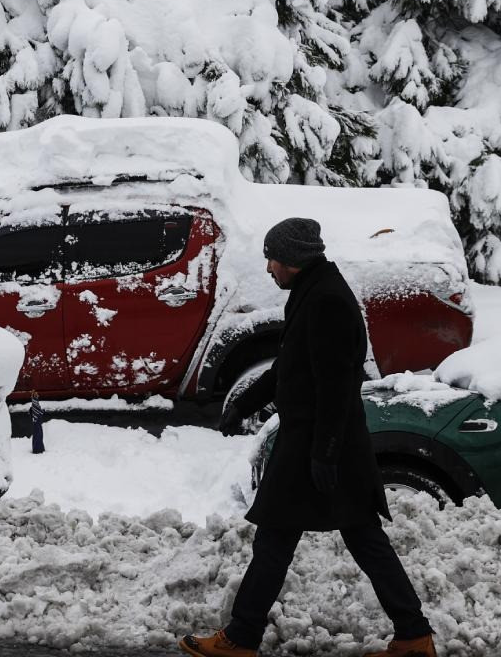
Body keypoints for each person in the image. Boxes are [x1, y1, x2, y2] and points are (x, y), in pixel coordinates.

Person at [179, 218, 438, 657]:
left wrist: (326, 454)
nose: (268, 268)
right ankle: (413, 635)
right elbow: (290, 366)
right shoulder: (313, 293)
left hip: (319, 445)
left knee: (285, 539)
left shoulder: (327, 302)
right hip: (321, 443)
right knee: (352, 538)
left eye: (272, 259)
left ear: (293, 261)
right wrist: (244, 402)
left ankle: (241, 640)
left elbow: (337, 386)